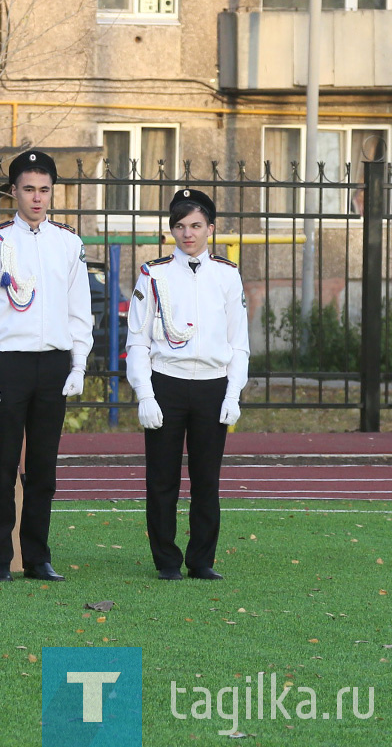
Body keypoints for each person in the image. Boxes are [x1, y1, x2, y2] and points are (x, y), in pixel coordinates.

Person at [0, 150, 93, 582]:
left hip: (53, 364)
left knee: (43, 468)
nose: (37, 198)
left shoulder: (68, 243)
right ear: (13, 191)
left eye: (44, 190)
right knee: (1, 466)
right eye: (29, 189)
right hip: (9, 364)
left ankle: (37, 557)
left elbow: (79, 310)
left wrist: (78, 364)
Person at [126, 188, 250, 581]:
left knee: (206, 479)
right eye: (179, 227)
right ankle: (166, 560)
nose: (188, 234)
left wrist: (233, 393)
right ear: (171, 232)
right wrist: (145, 394)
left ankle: (201, 560)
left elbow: (239, 343)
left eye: (196, 225)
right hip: (168, 384)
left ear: (211, 228)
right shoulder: (154, 273)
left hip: (212, 386)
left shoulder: (227, 275)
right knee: (162, 479)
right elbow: (138, 341)